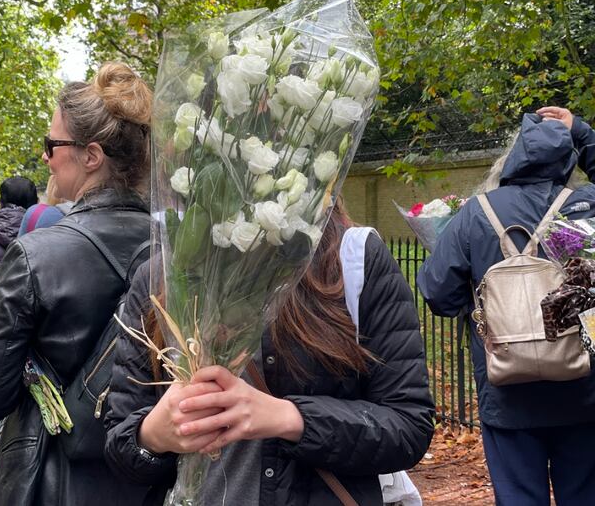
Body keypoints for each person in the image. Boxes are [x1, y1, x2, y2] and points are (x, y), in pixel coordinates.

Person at [104, 200, 436, 505]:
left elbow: (408, 426)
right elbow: (120, 445)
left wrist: (289, 418)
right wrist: (153, 435)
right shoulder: (162, 275)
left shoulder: (348, 259)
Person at [0, 62, 153, 506]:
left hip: (53, 478)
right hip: (154, 478)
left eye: (52, 144)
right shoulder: (181, 252)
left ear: (91, 156)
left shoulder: (36, 254)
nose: (46, 157)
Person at [417, 107, 595, 505]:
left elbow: (436, 293)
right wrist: (581, 133)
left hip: (506, 390)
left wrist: (480, 305)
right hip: (583, 388)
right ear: (568, 159)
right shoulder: (587, 205)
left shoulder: (477, 213)